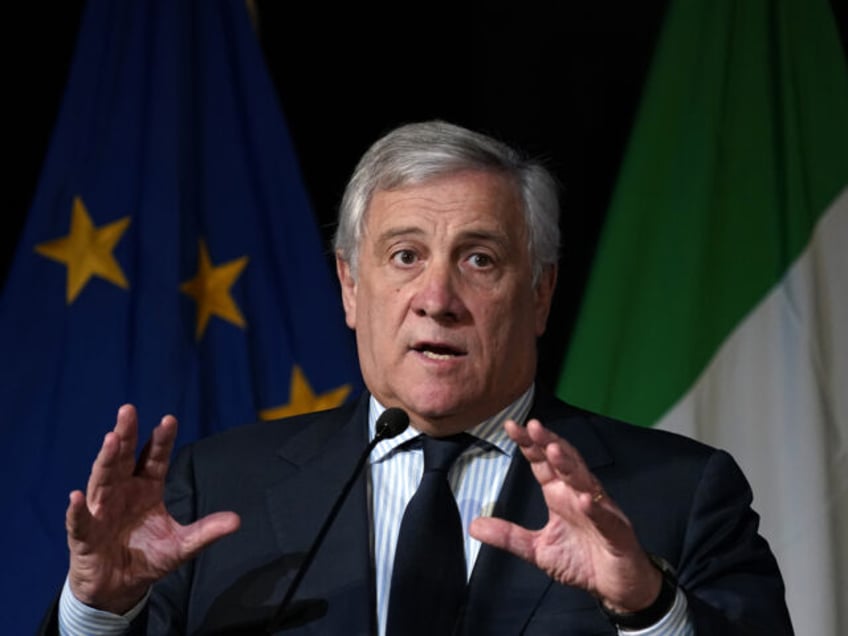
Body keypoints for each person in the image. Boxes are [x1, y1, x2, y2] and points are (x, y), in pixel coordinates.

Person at [43, 120, 793, 635]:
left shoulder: (679, 496)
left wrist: (649, 608)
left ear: (539, 295)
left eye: (480, 259)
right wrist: (100, 613)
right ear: (347, 287)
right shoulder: (216, 489)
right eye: (404, 256)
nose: (437, 299)